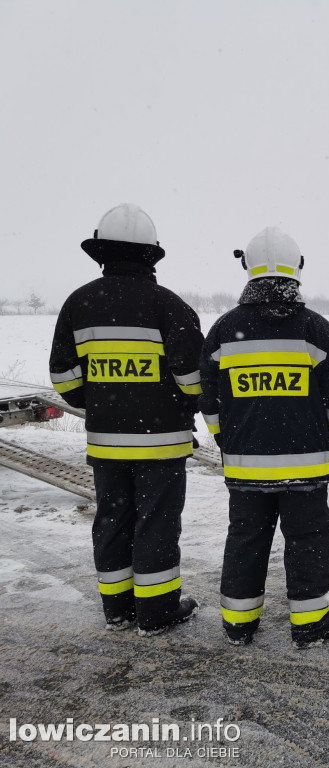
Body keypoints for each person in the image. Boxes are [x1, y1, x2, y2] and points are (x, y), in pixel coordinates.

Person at [49, 203, 203, 635]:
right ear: (150, 254)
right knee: (156, 522)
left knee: (112, 519)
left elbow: (63, 376)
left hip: (105, 442)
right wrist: (178, 404)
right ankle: (156, 612)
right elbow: (195, 378)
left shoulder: (78, 304)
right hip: (164, 443)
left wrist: (101, 401)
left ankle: (117, 609)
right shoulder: (170, 307)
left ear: (102, 251)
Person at [198, 227, 329, 649]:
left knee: (246, 539)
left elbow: (209, 403)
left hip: (246, 465)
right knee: (308, 540)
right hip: (307, 467)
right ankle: (310, 623)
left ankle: (238, 623)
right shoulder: (316, 331)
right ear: (297, 269)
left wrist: (225, 441)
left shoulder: (223, 331)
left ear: (248, 268)